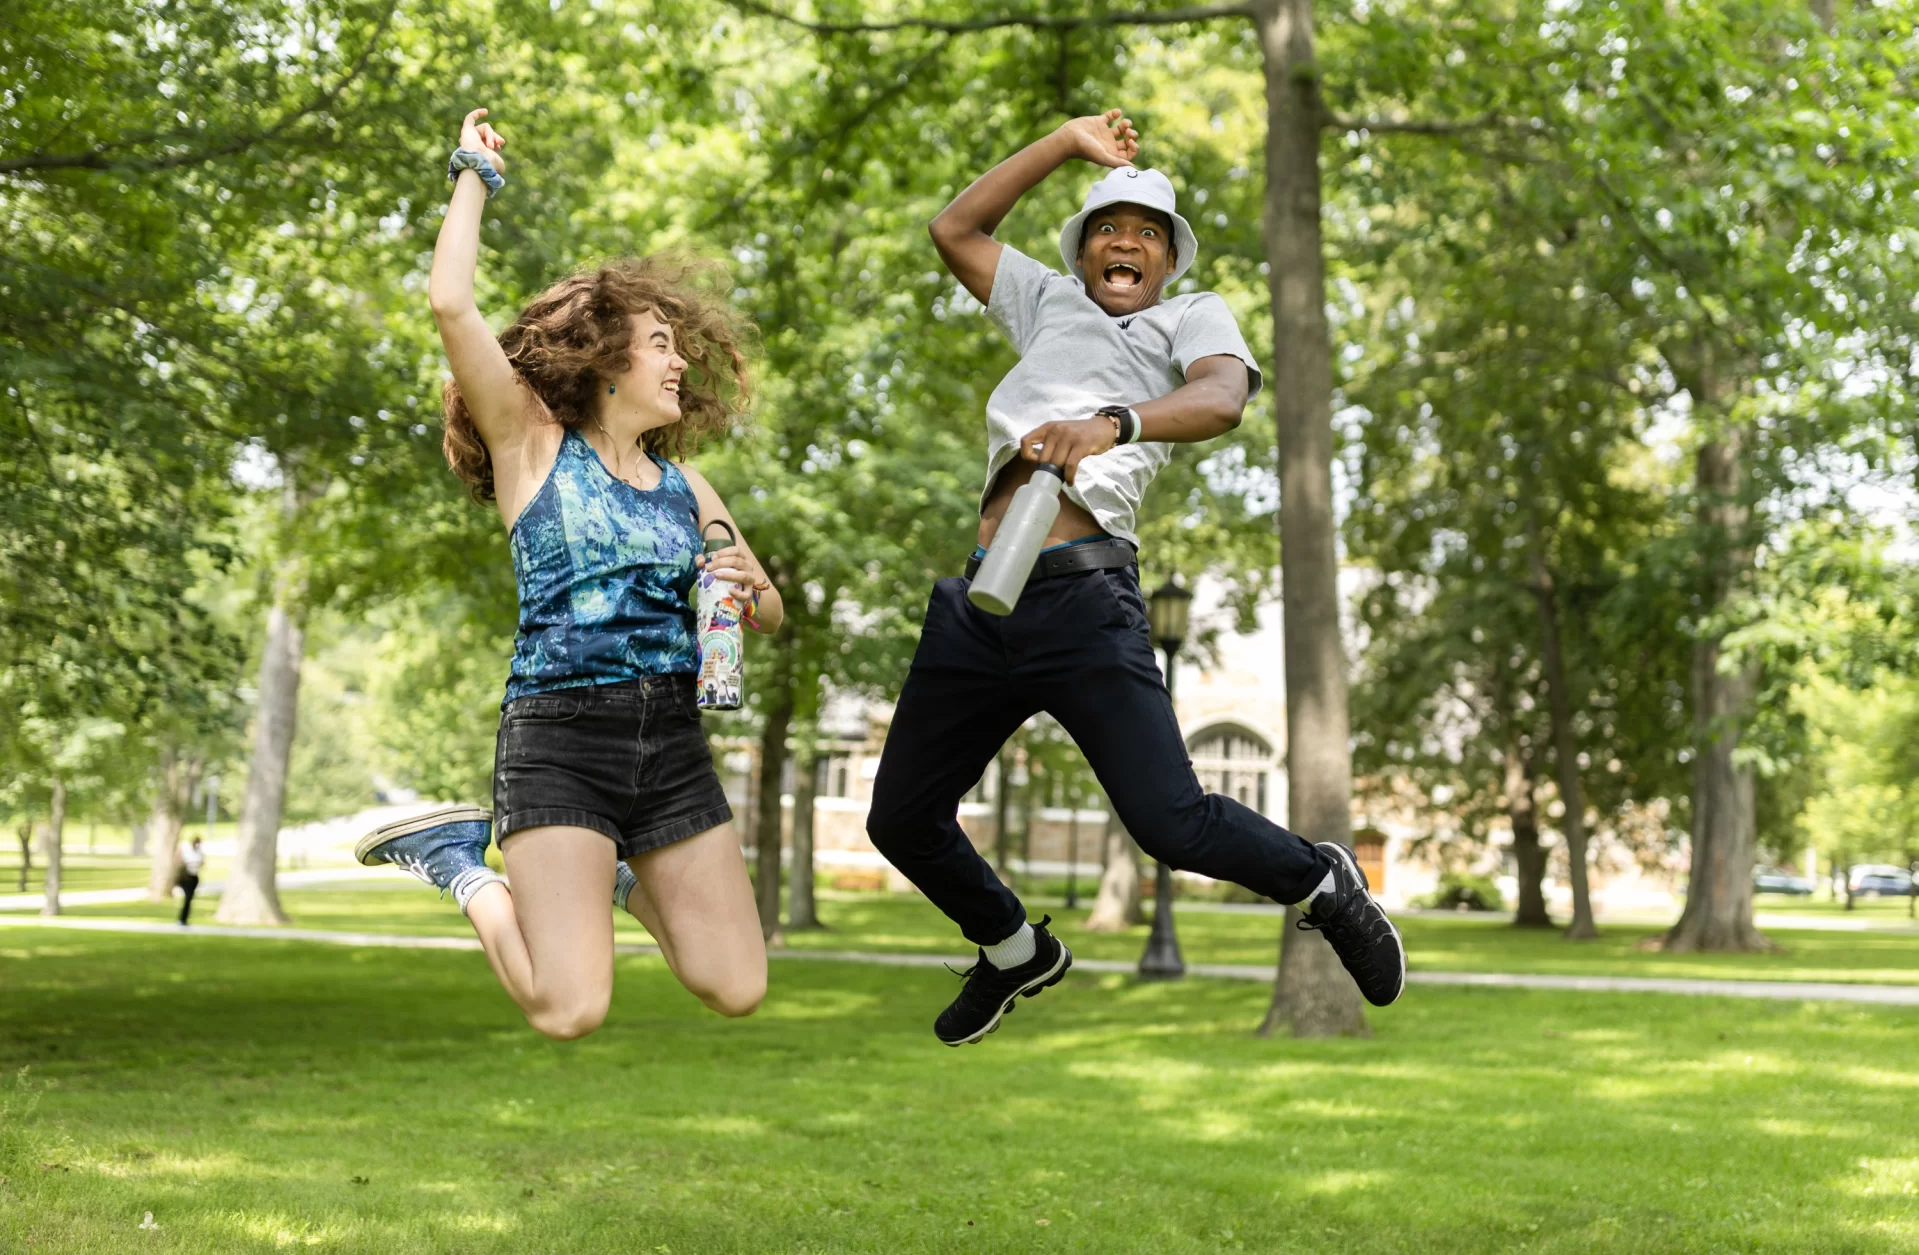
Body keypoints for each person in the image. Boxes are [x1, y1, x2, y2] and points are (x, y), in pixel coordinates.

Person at [867, 109, 1406, 1047]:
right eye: (1107, 229)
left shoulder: (1187, 317)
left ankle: (1323, 881)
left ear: (1166, 261)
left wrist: (1111, 422)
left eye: (1147, 233)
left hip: (1084, 596)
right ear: (1081, 255)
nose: (1126, 242)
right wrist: (1066, 145)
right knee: (900, 818)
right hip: (980, 598)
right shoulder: (1044, 302)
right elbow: (954, 229)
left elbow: (1222, 397)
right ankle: (1010, 950)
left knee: (1172, 822)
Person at [355, 108, 783, 1041]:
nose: (678, 358)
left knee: (736, 984)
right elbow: (450, 305)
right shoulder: (532, 446)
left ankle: (613, 872)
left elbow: (765, 608)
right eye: (659, 341)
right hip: (561, 737)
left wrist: (754, 585)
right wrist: (476, 169)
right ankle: (457, 863)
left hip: (671, 741)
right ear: (604, 357)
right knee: (569, 1008)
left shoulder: (687, 485)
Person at [176, 836, 204, 925]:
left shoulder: (200, 853)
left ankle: (184, 918)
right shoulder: (188, 852)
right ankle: (182, 919)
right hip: (186, 877)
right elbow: (187, 862)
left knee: (189, 898)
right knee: (188, 897)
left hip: (194, 877)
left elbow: (201, 863)